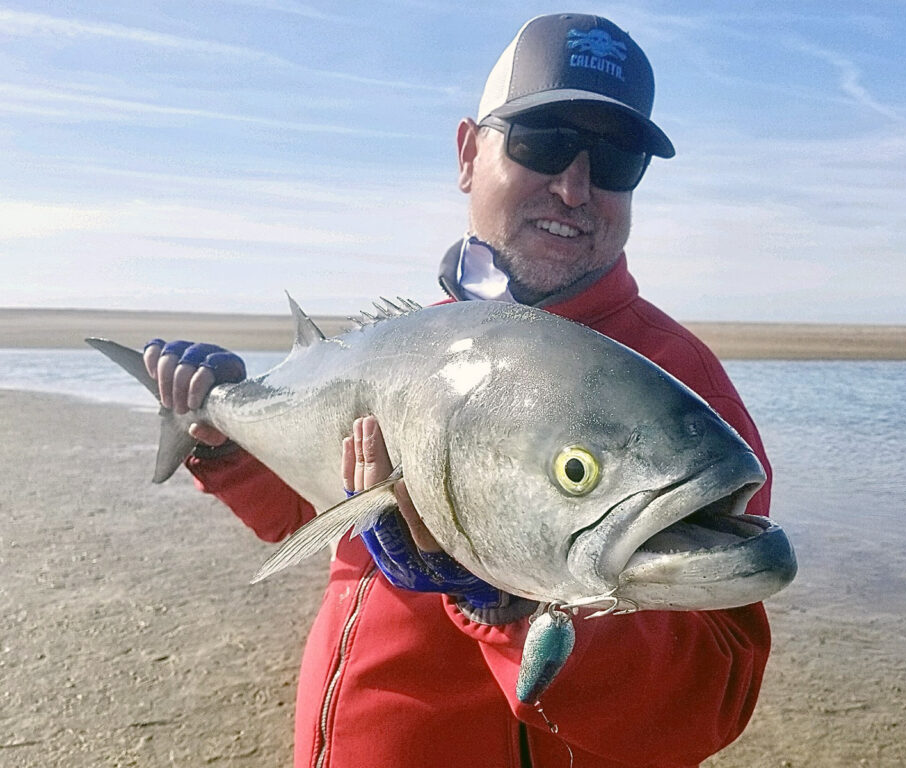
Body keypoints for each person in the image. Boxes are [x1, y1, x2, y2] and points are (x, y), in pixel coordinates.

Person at [145, 13, 774, 768]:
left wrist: (508, 604)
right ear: (468, 153)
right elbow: (310, 516)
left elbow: (706, 700)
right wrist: (221, 445)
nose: (575, 187)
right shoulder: (409, 342)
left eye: (614, 160)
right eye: (542, 144)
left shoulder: (675, 387)